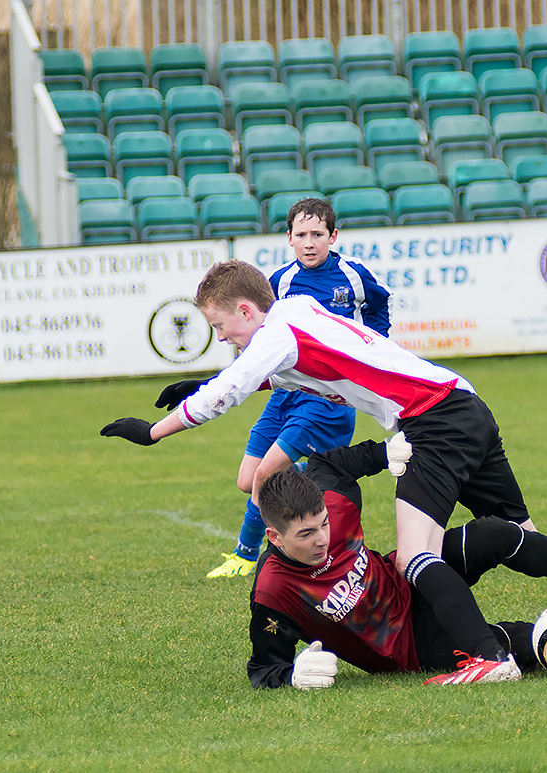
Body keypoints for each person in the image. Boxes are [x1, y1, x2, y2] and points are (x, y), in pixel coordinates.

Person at [100, 259, 547, 683]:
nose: (222, 338)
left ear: (242, 308)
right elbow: (281, 367)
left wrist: (155, 431)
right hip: (465, 403)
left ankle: (487, 659)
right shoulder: (298, 310)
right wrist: (215, 377)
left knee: (416, 560)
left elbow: (232, 389)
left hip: (429, 423)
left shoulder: (274, 334)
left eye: (220, 327)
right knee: (524, 536)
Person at [247, 437, 547, 688]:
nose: (323, 539)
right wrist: (291, 674)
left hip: (407, 575)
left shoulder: (331, 501)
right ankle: (502, 652)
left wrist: (381, 453)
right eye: (306, 535)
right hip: (413, 646)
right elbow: (263, 668)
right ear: (274, 537)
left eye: (324, 525)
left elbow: (331, 463)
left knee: (497, 533)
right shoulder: (274, 589)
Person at [156, 198, 392, 578]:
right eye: (302, 235)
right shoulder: (278, 281)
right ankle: (318, 470)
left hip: (324, 397)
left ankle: (246, 555)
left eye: (318, 234)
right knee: (247, 480)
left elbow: (381, 303)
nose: (310, 242)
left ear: (333, 236)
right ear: (289, 238)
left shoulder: (353, 275)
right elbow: (262, 342)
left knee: (265, 476)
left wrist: (373, 344)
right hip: (284, 391)